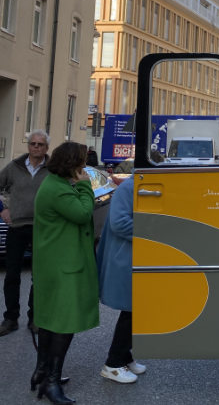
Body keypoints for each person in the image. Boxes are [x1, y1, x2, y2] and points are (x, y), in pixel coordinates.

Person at [32, 142, 99, 404]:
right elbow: (82, 213)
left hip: (56, 264)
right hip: (63, 266)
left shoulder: (54, 185)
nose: (84, 168)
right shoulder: (58, 190)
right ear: (72, 164)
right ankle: (50, 381)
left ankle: (42, 372)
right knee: (64, 324)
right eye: (81, 163)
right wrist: (85, 186)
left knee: (51, 321)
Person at [96, 175, 146, 383]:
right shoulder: (130, 187)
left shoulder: (137, 186)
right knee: (131, 311)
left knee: (133, 311)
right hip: (124, 258)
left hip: (130, 257)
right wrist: (152, 232)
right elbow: (119, 223)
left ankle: (125, 357)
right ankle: (113, 364)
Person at [0, 129, 50, 336]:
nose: (35, 147)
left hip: (42, 228)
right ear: (28, 146)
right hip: (17, 227)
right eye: (32, 143)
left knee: (39, 275)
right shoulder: (14, 167)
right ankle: (10, 318)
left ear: (46, 148)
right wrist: (2, 209)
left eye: (40, 144)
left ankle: (35, 318)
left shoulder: (53, 169)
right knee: (12, 274)